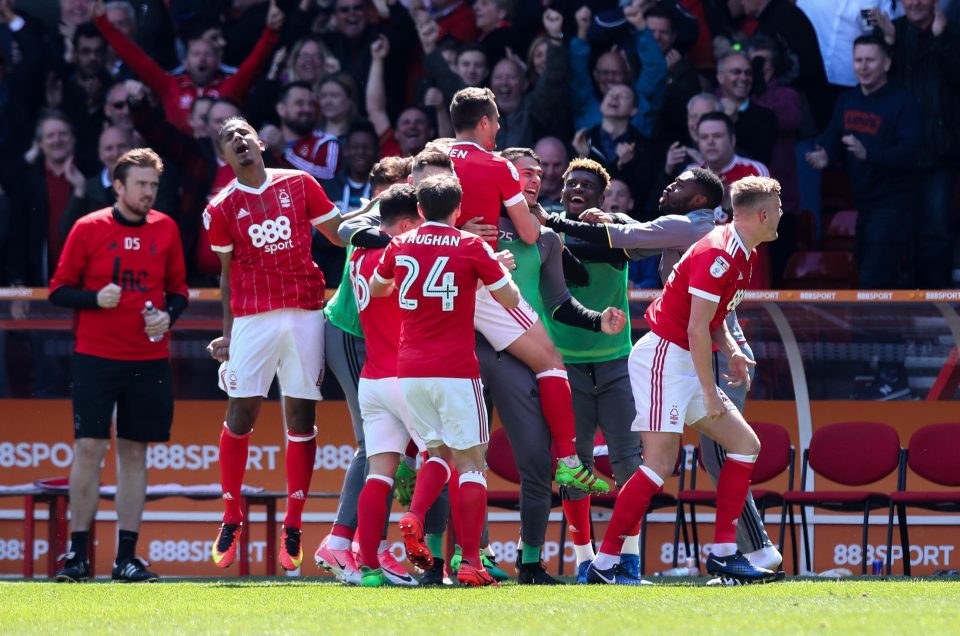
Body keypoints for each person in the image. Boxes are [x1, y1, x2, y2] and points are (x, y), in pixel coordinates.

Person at [537, 168, 785, 575]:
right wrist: (708, 391)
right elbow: (694, 327)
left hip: (683, 359)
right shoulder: (721, 253)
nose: (780, 216)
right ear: (759, 215)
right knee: (657, 465)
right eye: (776, 210)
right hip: (664, 358)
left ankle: (725, 552)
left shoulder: (743, 251)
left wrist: (734, 350)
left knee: (745, 444)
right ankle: (606, 561)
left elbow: (712, 318)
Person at [446, 86, 608, 493]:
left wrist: (454, 229)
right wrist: (531, 217)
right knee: (551, 360)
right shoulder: (497, 166)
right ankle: (569, 461)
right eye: (496, 119)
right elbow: (528, 232)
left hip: (434, 285)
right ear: (484, 122)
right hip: (480, 279)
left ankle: (410, 468)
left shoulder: (432, 158)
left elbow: (417, 216)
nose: (499, 127)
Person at [478, 149, 627, 585]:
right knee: (461, 459)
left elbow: (560, 302)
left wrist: (597, 320)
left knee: (537, 462)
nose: (533, 180)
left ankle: (529, 562)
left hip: (523, 355)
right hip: (468, 349)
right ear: (503, 175)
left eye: (539, 175)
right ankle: (463, 557)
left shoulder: (545, 238)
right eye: (524, 172)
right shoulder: (470, 226)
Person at [204, 115, 344, 571]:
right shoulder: (220, 209)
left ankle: (295, 525)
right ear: (223, 156)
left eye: (243, 133)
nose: (238, 141)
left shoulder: (301, 184)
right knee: (241, 414)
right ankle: (230, 516)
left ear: (260, 141)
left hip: (305, 312)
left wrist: (387, 222)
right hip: (252, 320)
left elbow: (338, 234)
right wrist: (226, 333)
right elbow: (226, 276)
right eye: (228, 139)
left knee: (301, 416)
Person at [369, 173, 523, 587]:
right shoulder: (471, 244)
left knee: (436, 454)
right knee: (473, 464)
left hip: (411, 368)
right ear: (458, 211)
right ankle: (470, 561)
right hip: (455, 368)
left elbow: (377, 288)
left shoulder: (400, 243)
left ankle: (414, 514)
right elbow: (509, 299)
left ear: (419, 210)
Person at [50, 148, 188, 582]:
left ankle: (126, 557)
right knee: (89, 449)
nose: (149, 192)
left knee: (134, 453)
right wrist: (94, 299)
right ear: (119, 185)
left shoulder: (166, 228)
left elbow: (179, 291)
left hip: (147, 359)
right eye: (141, 184)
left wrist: (169, 315)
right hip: (95, 357)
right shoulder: (88, 228)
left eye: (153, 185)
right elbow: (58, 290)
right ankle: (77, 556)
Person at [314, 156, 413, 586]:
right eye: (408, 183)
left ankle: (363, 545)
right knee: (373, 446)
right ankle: (344, 545)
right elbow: (345, 231)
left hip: (370, 341)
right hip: (352, 335)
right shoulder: (379, 223)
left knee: (385, 447)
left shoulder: (380, 223)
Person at [349, 184, 425, 587]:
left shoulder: (359, 253)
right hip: (406, 375)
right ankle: (458, 559)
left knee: (379, 475)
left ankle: (370, 568)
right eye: (421, 222)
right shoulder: (398, 253)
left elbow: (356, 231)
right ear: (407, 223)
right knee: (450, 458)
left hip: (373, 379)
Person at [805, 35, 920, 289]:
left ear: (887, 64)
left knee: (875, 276)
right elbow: (833, 136)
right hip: (862, 202)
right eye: (858, 60)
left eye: (870, 60)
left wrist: (869, 153)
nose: (863, 67)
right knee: (860, 268)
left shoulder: (903, 102)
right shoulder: (848, 99)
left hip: (894, 202)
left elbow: (910, 153)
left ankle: (877, 329)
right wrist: (826, 153)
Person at [91, 0, 282, 133]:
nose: (202, 59)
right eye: (196, 54)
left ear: (217, 60)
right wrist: (102, 22)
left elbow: (254, 63)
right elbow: (135, 58)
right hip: (180, 160)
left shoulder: (230, 87)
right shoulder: (170, 85)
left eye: (208, 54)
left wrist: (271, 31)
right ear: (186, 61)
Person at [881, 0, 960, 288]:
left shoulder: (952, 33)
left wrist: (939, 41)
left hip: (938, 150)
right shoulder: (892, 31)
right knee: (898, 232)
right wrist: (888, 44)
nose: (914, 3)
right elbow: (877, 86)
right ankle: (903, 314)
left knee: (937, 232)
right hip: (896, 152)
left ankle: (937, 307)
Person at [715, 51, 778, 165]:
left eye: (748, 73)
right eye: (736, 72)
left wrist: (731, 123)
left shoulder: (766, 116)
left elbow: (756, 160)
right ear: (720, 77)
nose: (743, 78)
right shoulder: (707, 110)